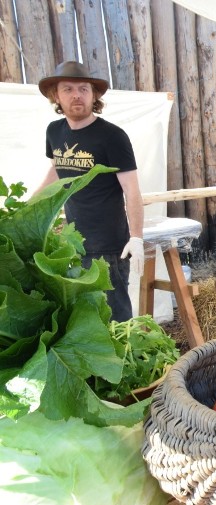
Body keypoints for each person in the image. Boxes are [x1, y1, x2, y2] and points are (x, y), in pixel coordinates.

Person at [35, 61, 144, 322]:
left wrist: (137, 237)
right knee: (87, 316)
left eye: (84, 89)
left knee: (116, 316)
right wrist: (30, 204)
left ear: (94, 95)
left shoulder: (112, 136)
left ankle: (126, 361)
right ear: (56, 96)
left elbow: (132, 190)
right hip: (73, 242)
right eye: (68, 89)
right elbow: (56, 170)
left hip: (109, 245)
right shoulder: (54, 132)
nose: (76, 95)